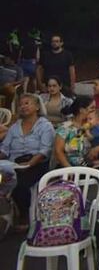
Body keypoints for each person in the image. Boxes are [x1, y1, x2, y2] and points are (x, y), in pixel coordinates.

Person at [0, 93, 54, 228]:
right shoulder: (14, 127)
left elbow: (44, 151)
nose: (23, 106)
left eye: (27, 103)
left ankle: (23, 214)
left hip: (36, 164)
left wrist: (29, 164)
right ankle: (6, 207)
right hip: (13, 164)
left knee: (20, 184)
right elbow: (5, 149)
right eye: (21, 104)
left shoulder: (45, 126)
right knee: (2, 178)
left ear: (37, 107)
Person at [56, 97, 99, 180]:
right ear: (82, 110)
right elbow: (58, 151)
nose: (95, 111)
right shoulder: (66, 128)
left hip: (93, 164)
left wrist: (97, 149)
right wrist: (69, 168)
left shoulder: (95, 125)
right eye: (92, 108)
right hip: (71, 165)